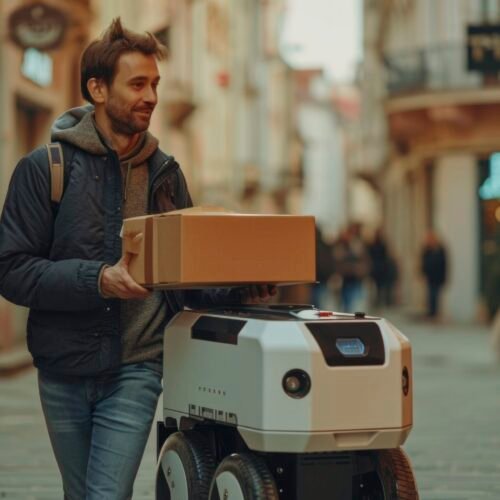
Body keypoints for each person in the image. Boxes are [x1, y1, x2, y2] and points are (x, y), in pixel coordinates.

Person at [0, 19, 274, 500]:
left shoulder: (166, 174)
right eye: (138, 84)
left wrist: (240, 287)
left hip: (137, 367)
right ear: (98, 89)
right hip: (63, 366)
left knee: (106, 496)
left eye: (155, 84)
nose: (151, 95)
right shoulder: (45, 170)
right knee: (80, 494)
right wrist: (98, 279)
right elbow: (11, 268)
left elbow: (188, 276)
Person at [421, 229, 447, 319]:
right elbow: (423, 262)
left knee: (436, 296)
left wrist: (444, 277)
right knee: (430, 296)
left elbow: (444, 264)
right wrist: (423, 273)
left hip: (438, 277)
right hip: (430, 277)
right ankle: (431, 314)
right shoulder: (426, 249)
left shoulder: (440, 249)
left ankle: (435, 314)